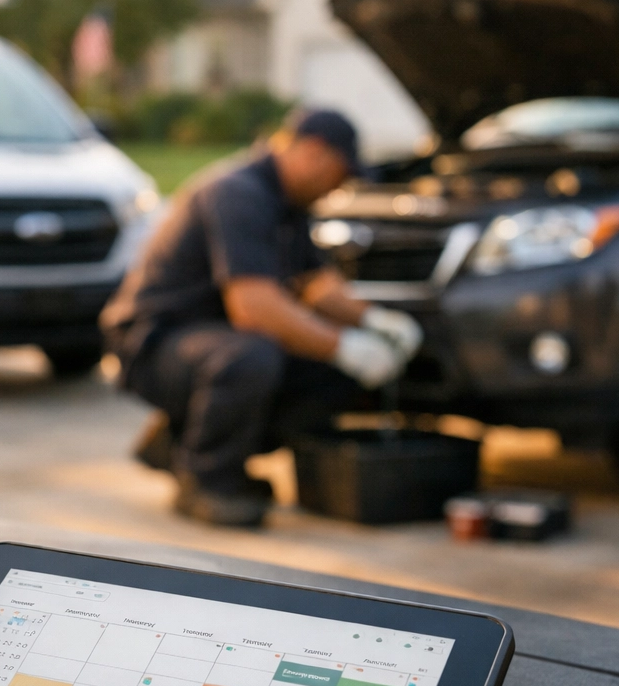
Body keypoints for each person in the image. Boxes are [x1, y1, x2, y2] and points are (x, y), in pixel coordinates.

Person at [101, 108, 423, 527]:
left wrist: (376, 323)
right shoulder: (238, 193)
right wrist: (344, 346)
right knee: (254, 355)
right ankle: (206, 479)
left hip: (210, 339)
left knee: (326, 373)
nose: (339, 187)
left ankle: (182, 444)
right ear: (313, 153)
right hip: (153, 344)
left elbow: (317, 285)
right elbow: (253, 307)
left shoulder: (289, 206)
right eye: (340, 175)